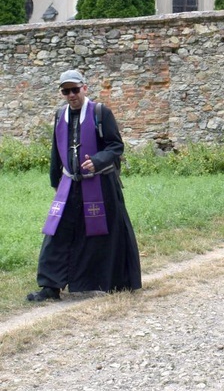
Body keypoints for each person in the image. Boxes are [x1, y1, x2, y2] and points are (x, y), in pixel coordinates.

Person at [28, 70, 141, 301]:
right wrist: (55, 181)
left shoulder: (101, 113)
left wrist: (97, 161)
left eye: (75, 90)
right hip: (70, 184)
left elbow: (115, 146)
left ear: (85, 88)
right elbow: (56, 152)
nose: (71, 95)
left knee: (103, 233)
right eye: (66, 91)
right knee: (57, 233)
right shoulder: (61, 116)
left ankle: (108, 281)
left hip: (100, 184)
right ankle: (50, 286)